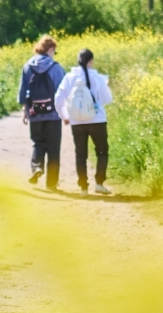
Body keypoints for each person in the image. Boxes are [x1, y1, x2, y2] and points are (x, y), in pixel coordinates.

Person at [54, 48, 114, 196]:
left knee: (81, 154)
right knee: (102, 151)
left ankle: (83, 188)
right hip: (97, 120)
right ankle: (99, 183)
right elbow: (108, 100)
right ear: (91, 61)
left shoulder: (69, 77)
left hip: (76, 122)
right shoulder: (98, 78)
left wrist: (65, 116)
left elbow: (58, 99)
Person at [19, 36, 66, 190]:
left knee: (38, 143)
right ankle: (51, 184)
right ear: (50, 49)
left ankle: (37, 167)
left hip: (35, 113)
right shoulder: (56, 68)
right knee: (53, 148)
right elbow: (63, 92)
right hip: (53, 114)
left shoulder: (28, 66)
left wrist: (25, 111)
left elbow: (23, 92)